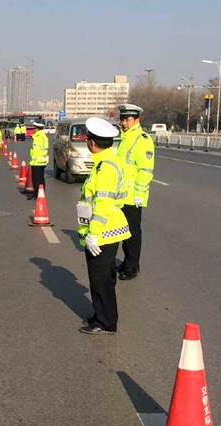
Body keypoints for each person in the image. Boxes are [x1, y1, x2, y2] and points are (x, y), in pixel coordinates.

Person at [77, 118, 131, 335]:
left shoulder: (106, 167)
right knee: (105, 276)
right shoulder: (107, 160)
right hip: (108, 229)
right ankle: (102, 314)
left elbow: (104, 202)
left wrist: (94, 234)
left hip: (104, 231)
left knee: (100, 279)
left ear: (91, 142)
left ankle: (106, 321)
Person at [116, 104, 155, 280]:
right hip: (120, 195)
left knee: (132, 232)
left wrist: (139, 193)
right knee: (123, 230)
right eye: (122, 119)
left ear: (136, 120)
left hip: (133, 196)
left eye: (128, 119)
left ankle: (132, 265)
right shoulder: (125, 138)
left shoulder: (142, 139)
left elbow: (145, 170)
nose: (124, 123)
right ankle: (127, 260)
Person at [28, 121, 49, 200]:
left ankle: (37, 194)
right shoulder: (43, 136)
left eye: (34, 128)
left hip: (37, 161)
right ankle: (41, 192)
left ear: (37, 129)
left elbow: (36, 150)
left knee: (36, 179)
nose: (33, 130)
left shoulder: (38, 137)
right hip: (42, 160)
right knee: (41, 178)